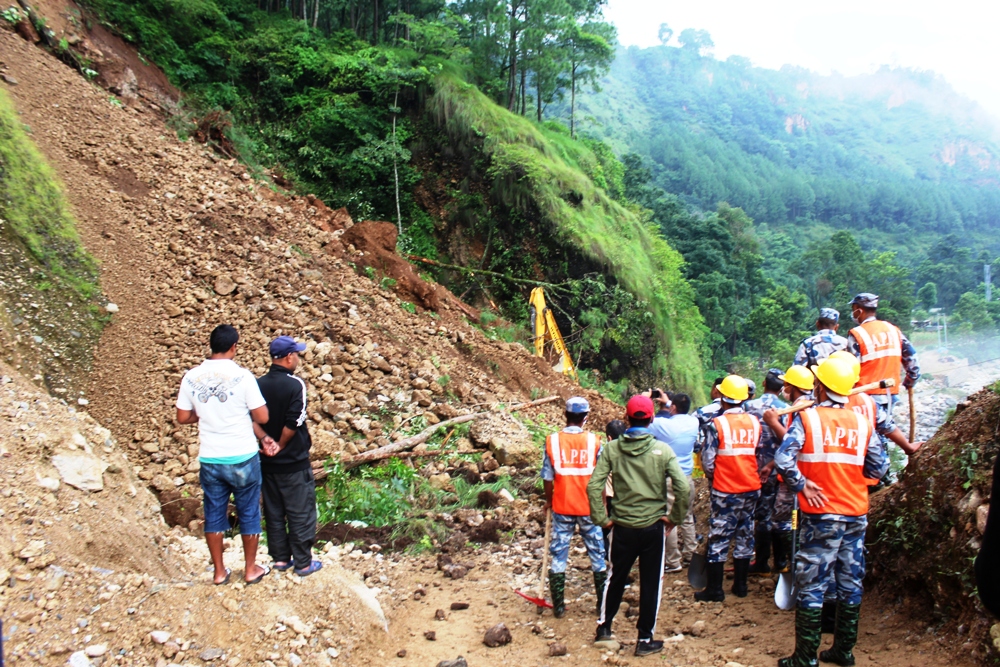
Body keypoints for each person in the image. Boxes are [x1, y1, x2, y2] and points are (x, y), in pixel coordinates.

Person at [773, 357, 889, 667]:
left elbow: (783, 459)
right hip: (855, 514)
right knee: (850, 581)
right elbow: (879, 468)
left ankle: (805, 656)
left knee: (812, 583)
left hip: (821, 513)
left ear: (821, 387)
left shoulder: (808, 419)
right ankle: (843, 651)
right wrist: (853, 481)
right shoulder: (862, 423)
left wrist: (802, 484)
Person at [588, 395, 690, 657]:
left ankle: (604, 629)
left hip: (622, 527)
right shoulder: (663, 450)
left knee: (615, 577)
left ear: (626, 418)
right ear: (652, 418)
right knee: (651, 582)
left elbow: (594, 486)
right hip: (653, 528)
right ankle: (644, 639)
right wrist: (674, 518)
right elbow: (682, 487)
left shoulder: (612, 449)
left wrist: (602, 519)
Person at [175, 324, 271, 586]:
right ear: (233, 347)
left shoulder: (191, 377)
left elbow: (182, 416)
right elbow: (262, 416)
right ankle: (250, 569)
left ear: (211, 346)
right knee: (249, 511)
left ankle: (219, 572)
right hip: (242, 455)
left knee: (214, 513)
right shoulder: (243, 376)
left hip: (211, 457)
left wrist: (204, 413)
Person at [255, 335, 323, 578]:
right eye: (296, 354)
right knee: (300, 511)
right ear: (288, 357)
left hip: (267, 462)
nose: (298, 359)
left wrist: (266, 440)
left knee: (274, 511)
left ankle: (281, 558)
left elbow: (250, 418)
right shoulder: (296, 385)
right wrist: (281, 444)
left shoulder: (258, 384)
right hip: (293, 462)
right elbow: (294, 421)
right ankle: (303, 562)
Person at [696, 375, 762, 602]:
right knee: (745, 533)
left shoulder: (717, 424)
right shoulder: (755, 422)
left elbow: (708, 461)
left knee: (720, 535)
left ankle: (715, 590)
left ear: (723, 398)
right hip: (751, 487)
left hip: (726, 489)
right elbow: (757, 453)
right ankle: (741, 586)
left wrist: (716, 477)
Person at [541, 397, 607, 618]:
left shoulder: (552, 441)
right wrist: (603, 504)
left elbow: (547, 477)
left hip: (562, 506)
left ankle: (558, 607)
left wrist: (549, 500)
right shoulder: (594, 442)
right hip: (589, 508)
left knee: (559, 555)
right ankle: (602, 605)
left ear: (565, 415)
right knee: (597, 555)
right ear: (585, 418)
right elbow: (601, 478)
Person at [762, 365, 816, 574]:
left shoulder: (801, 410)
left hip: (795, 473)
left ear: (793, 387)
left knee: (782, 521)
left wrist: (773, 423)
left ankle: (791, 561)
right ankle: (790, 561)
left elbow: (793, 444)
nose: (784, 388)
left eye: (787, 384)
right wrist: (771, 465)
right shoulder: (803, 406)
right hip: (800, 470)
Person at [743, 368, 788, 574]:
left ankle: (760, 561)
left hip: (752, 467)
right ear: (782, 388)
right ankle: (780, 562)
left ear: (763, 383)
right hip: (775, 468)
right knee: (777, 515)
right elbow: (789, 441)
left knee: (758, 515)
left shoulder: (748, 406)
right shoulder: (785, 409)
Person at [649, 391, 698, 572]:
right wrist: (669, 403)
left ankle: (673, 561)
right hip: (687, 477)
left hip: (670, 478)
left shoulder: (664, 425)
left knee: (668, 519)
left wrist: (647, 397)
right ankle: (691, 554)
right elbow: (680, 410)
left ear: (674, 407)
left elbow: (643, 416)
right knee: (687, 516)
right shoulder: (693, 422)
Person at [845, 293, 920, 409]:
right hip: (891, 394)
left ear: (858, 309)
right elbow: (912, 359)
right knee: (887, 420)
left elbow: (851, 369)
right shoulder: (893, 329)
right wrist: (910, 381)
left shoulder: (857, 334)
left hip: (866, 397)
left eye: (853, 308)